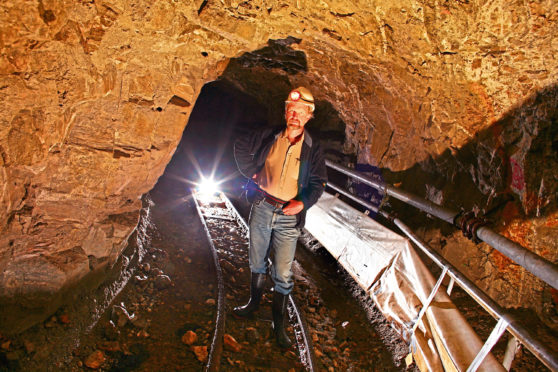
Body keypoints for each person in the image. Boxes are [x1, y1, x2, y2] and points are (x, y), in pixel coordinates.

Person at [233, 86, 327, 348]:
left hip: (288, 216)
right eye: (291, 110)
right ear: (286, 112)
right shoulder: (270, 135)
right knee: (256, 260)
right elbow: (241, 144)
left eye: (301, 112)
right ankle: (253, 304)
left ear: (309, 116)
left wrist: (303, 203)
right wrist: (251, 171)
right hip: (263, 205)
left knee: (283, 272)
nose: (295, 116)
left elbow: (319, 182)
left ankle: (278, 325)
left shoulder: (312, 148)